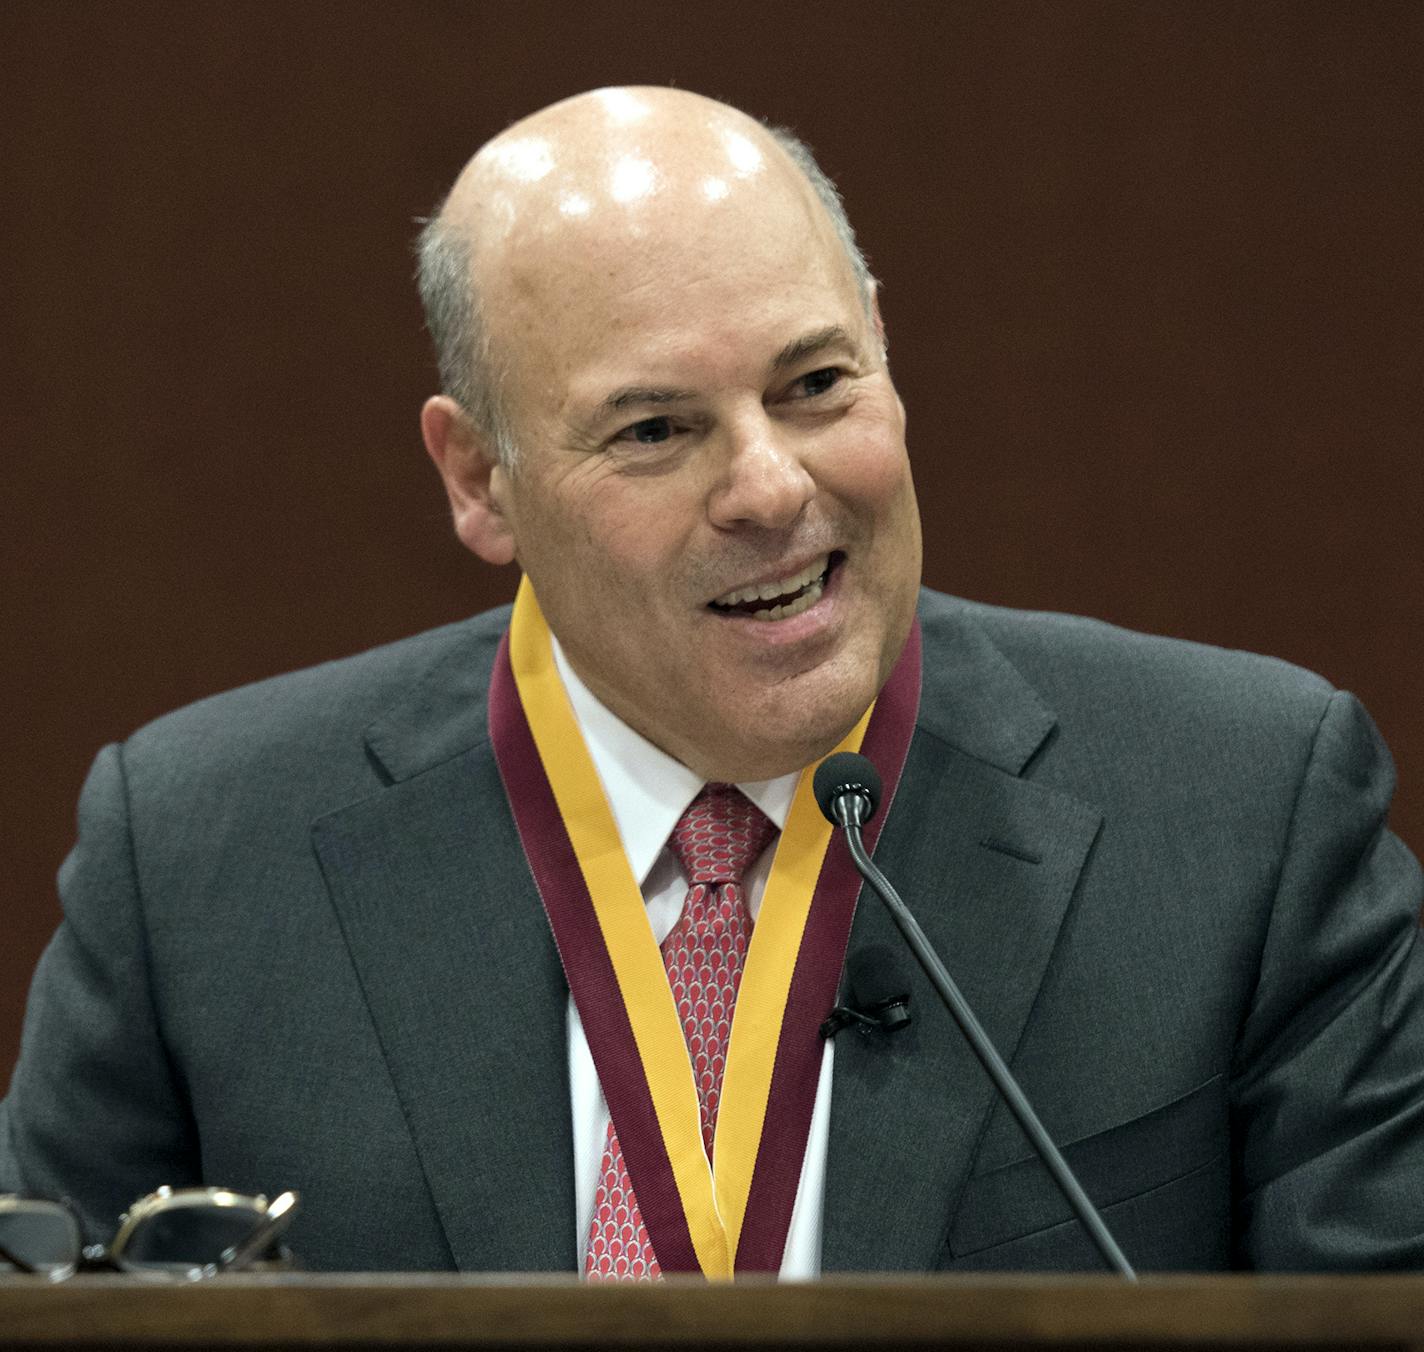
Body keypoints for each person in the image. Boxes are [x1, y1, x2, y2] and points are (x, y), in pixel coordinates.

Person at [2, 86, 1421, 1276]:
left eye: (815, 385)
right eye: (656, 427)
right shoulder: (194, 863)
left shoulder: (1250, 814)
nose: (769, 484)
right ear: (479, 478)